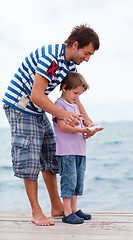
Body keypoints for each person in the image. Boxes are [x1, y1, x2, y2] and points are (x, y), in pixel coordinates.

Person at [2, 24, 100, 226]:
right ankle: (36, 212)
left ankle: (57, 206)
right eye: (86, 53)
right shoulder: (51, 58)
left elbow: (72, 96)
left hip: (37, 108)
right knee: (29, 158)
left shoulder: (70, 65)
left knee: (50, 153)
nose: (87, 59)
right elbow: (36, 95)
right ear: (75, 44)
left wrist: (87, 122)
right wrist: (64, 115)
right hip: (20, 106)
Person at [52, 72, 104, 224]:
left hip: (80, 150)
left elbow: (88, 122)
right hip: (67, 151)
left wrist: (91, 130)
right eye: (75, 93)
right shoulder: (59, 105)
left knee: (77, 181)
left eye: (79, 94)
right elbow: (62, 127)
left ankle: (74, 209)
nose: (77, 96)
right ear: (65, 88)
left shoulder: (75, 105)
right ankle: (67, 212)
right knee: (69, 180)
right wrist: (83, 131)